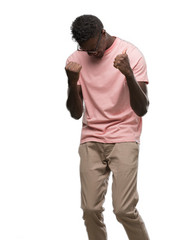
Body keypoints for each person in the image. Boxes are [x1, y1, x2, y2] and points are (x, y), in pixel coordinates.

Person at [65, 14, 150, 240]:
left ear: (103, 33)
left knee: (124, 210)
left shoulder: (130, 54)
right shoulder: (76, 58)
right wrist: (71, 82)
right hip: (91, 140)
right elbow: (75, 113)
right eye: (87, 51)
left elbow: (142, 108)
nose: (93, 55)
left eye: (95, 49)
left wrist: (128, 74)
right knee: (90, 210)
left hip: (124, 136)